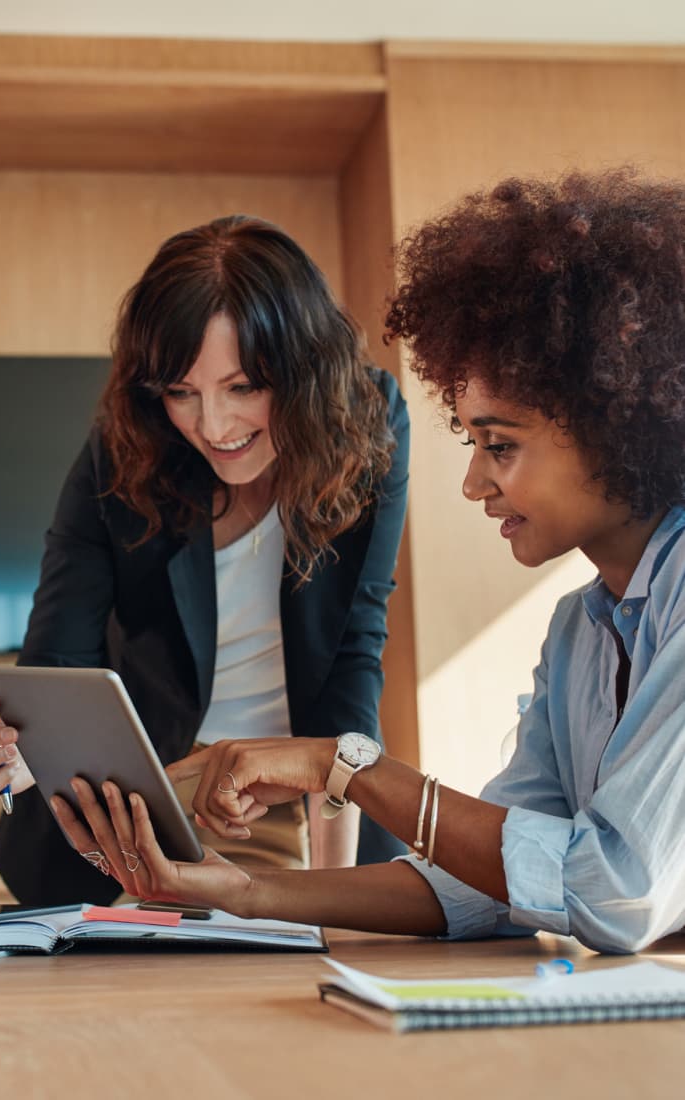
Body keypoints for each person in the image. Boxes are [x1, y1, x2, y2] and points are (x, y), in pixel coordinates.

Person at [51, 168, 685, 954]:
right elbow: (491, 884)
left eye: (502, 446)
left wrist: (339, 765)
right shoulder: (576, 635)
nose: (473, 480)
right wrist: (247, 892)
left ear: (618, 425)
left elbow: (612, 890)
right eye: (472, 443)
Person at [0, 214, 411, 905]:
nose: (213, 427)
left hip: (307, 806)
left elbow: (353, 650)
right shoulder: (124, 447)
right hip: (137, 816)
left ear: (305, 371)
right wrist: (15, 750)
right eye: (181, 392)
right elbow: (59, 661)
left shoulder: (366, 422)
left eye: (244, 387)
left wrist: (336, 893)